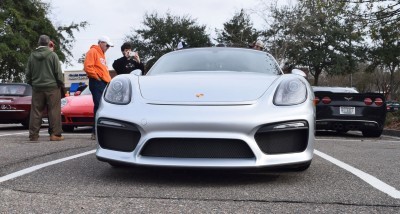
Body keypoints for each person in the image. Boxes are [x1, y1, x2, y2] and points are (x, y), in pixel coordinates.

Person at [25, 35, 64, 141]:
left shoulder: (32, 56)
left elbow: (28, 74)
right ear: (49, 43)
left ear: (38, 43)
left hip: (37, 88)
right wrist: (60, 84)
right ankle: (55, 134)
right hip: (52, 87)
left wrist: (33, 84)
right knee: (54, 110)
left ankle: (33, 135)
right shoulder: (53, 55)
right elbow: (58, 73)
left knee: (36, 111)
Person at [83, 36, 114, 140]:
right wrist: (97, 77)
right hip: (97, 82)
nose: (108, 47)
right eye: (107, 45)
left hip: (103, 82)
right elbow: (87, 67)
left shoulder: (101, 54)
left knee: (102, 107)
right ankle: (95, 132)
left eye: (109, 46)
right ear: (101, 43)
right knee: (99, 106)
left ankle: (99, 131)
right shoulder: (93, 51)